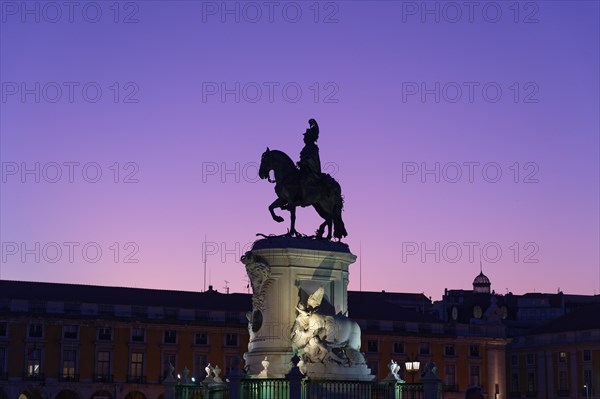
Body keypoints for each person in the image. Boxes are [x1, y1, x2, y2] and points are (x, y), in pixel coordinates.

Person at [297, 119, 322, 205]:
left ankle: (303, 199)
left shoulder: (313, 147)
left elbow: (312, 158)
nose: (304, 138)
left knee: (303, 180)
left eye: (305, 136)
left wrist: (305, 162)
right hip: (304, 169)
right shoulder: (306, 147)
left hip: (311, 170)